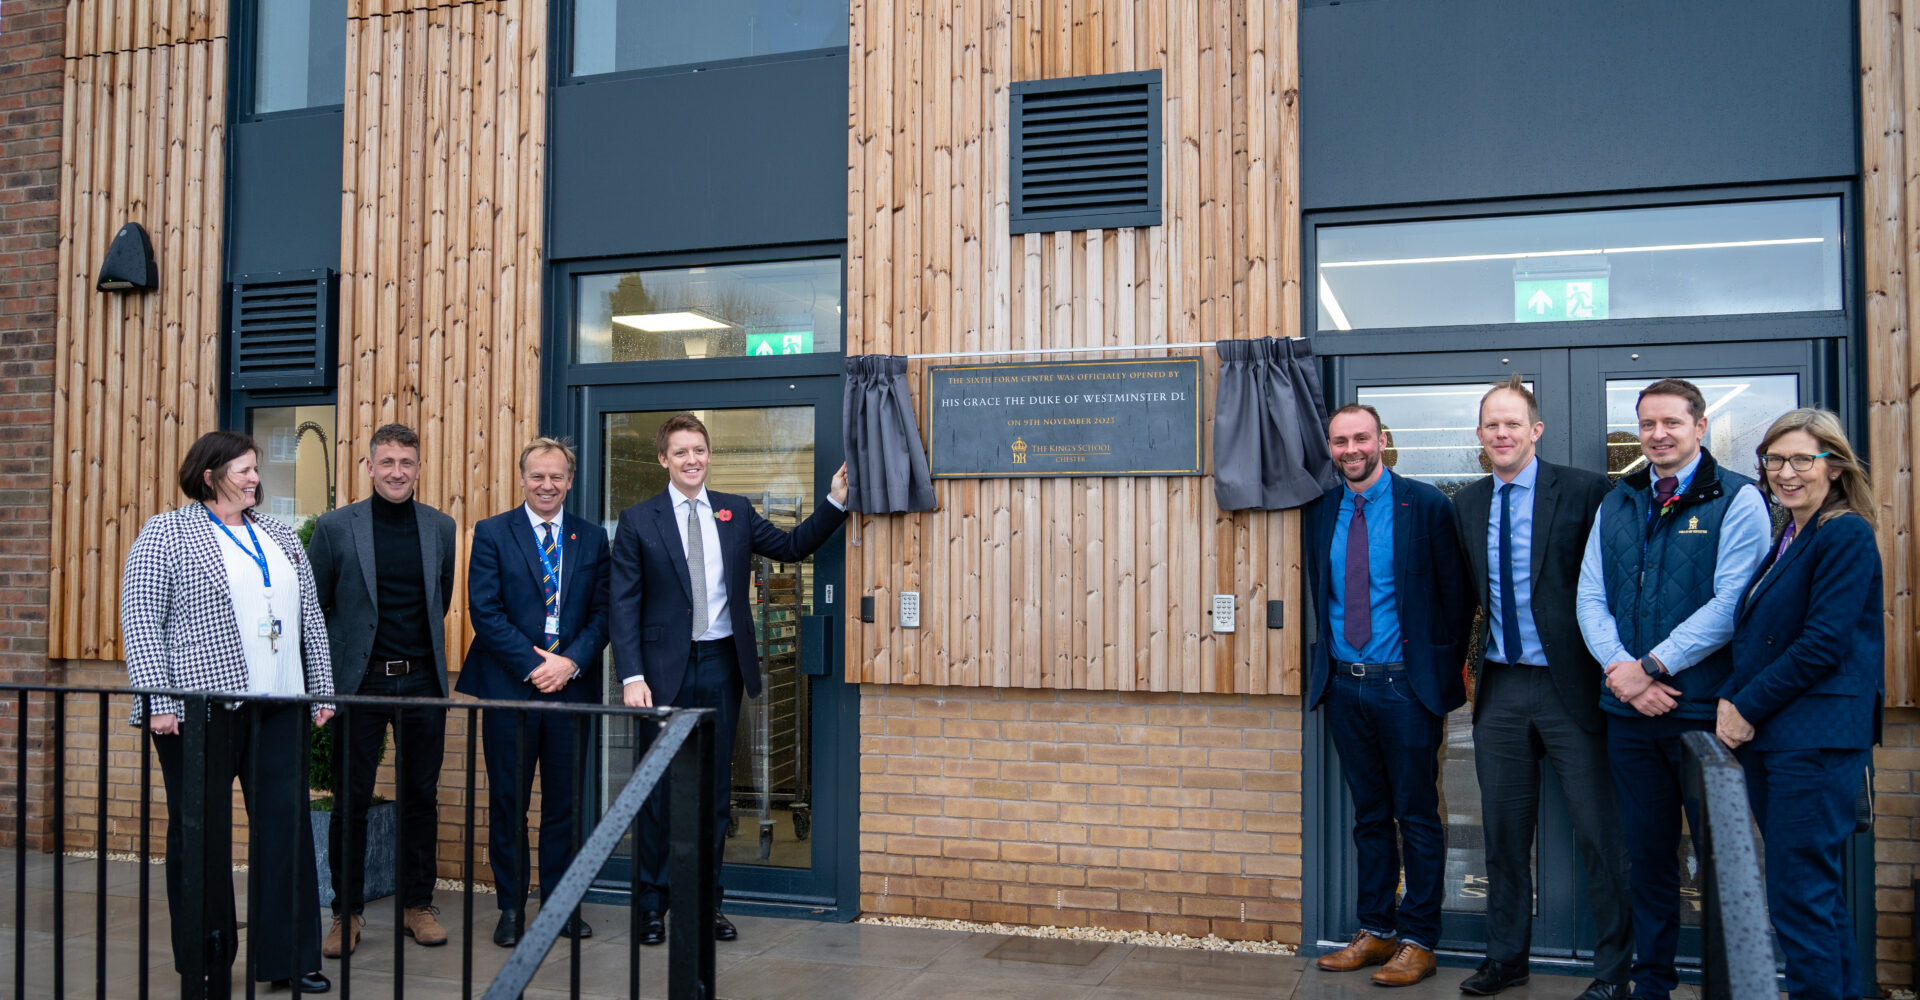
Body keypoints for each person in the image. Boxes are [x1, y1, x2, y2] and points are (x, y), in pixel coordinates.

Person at [609, 412, 849, 945]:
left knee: (715, 796)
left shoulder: (734, 511)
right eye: (681, 451)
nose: (692, 459)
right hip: (659, 674)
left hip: (721, 664)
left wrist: (834, 501)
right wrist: (631, 674)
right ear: (663, 460)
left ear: (708, 455)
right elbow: (622, 606)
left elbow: (790, 547)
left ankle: (704, 904)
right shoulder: (638, 520)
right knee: (657, 792)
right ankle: (653, 905)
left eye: (699, 449)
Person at [120, 430, 335, 994]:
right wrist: (159, 703)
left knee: (286, 833)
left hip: (282, 704)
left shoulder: (280, 535)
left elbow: (310, 616)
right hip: (199, 713)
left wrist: (324, 690)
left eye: (256, 469)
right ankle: (206, 962)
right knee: (201, 838)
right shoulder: (167, 532)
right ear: (209, 473)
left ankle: (290, 957)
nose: (254, 478)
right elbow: (142, 622)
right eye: (243, 469)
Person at [1575, 377, 1769, 1000]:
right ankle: (1651, 983)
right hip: (1628, 716)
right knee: (1647, 858)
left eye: (1671, 424)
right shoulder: (1618, 502)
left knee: (1719, 863)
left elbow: (1731, 603)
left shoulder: (1738, 500)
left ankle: (1729, 986)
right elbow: (1590, 599)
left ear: (1700, 426)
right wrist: (1624, 676)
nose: (1657, 435)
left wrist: (1650, 667)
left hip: (1702, 720)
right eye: (1647, 425)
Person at [1450, 377, 1631, 1000]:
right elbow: (1464, 597)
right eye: (1491, 426)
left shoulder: (1585, 492)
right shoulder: (1467, 504)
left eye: (1512, 424)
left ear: (1536, 430)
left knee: (1600, 836)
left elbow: (1615, 587)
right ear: (1480, 436)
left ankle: (1614, 972)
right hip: (1501, 690)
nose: (1502, 434)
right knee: (1502, 836)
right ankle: (1506, 960)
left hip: (1572, 688)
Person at [1306, 403, 1473, 987]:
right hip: (1344, 685)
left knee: (1417, 815)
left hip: (1404, 685)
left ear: (1382, 440)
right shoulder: (1323, 509)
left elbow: (1457, 599)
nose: (1350, 449)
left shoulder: (1424, 505)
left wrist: (1437, 672)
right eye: (1339, 441)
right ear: (1331, 448)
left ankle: (1420, 940)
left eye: (1360, 438)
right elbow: (1321, 595)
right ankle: (1375, 931)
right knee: (1369, 816)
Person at [1719, 408, 1882, 1000]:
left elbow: (1820, 645)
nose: (1785, 472)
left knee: (1799, 899)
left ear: (1833, 467)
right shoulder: (1793, 533)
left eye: (1801, 460)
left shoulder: (1844, 533)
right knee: (1815, 895)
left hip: (1811, 743)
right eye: (1773, 459)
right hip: (1785, 740)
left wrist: (1742, 705)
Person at [306, 423, 458, 957]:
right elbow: (317, 609)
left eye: (407, 463)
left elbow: (439, 599)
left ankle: (418, 906)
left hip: (421, 680)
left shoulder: (441, 527)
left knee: (421, 798)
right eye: (387, 462)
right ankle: (345, 914)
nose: (398, 472)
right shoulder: (334, 527)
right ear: (369, 467)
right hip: (360, 683)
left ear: (419, 468)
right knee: (350, 800)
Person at [459, 438, 612, 947]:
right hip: (510, 688)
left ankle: (561, 906)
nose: (547, 485)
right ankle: (509, 908)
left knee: (565, 806)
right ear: (522, 478)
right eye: (537, 476)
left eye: (557, 477)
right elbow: (486, 612)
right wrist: (534, 666)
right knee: (508, 802)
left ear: (570, 481)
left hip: (571, 688)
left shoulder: (590, 539)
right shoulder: (492, 533)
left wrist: (569, 663)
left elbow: (602, 614)